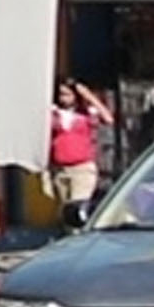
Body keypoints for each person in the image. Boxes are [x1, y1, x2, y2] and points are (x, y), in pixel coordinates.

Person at [44, 80, 114, 215]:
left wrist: (88, 96)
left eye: (67, 94)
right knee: (64, 210)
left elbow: (108, 119)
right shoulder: (53, 113)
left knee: (77, 209)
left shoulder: (86, 113)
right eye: (61, 95)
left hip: (82, 169)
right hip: (60, 170)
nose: (63, 98)